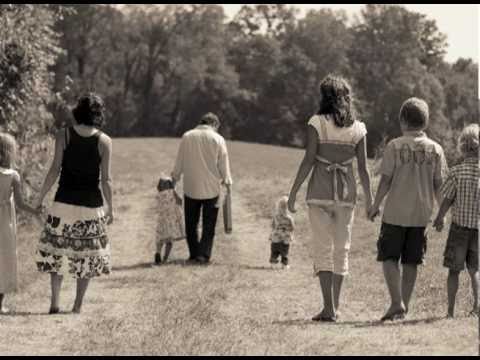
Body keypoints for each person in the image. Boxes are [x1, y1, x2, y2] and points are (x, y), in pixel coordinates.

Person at [288, 75, 373, 322]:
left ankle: (329, 308)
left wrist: (293, 191)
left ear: (323, 97)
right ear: (347, 98)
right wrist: (370, 200)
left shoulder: (317, 122)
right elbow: (364, 169)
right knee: (341, 249)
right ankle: (334, 306)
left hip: (319, 193)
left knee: (323, 248)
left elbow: (309, 160)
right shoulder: (358, 128)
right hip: (346, 194)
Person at [369, 97, 448, 321]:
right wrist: (441, 213)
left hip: (395, 214)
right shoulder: (436, 149)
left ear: (403, 120)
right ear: (425, 122)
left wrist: (376, 205)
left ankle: (396, 302)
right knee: (412, 261)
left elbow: (385, 181)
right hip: (421, 216)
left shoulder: (394, 145)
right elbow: (438, 185)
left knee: (389, 257)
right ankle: (403, 306)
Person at [36, 93, 114, 314]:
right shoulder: (104, 141)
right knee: (87, 257)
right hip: (91, 206)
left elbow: (54, 170)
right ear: (99, 114)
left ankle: (54, 302)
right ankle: (78, 304)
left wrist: (40, 197)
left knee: (57, 253)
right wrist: (111, 208)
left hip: (63, 203)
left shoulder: (64, 135)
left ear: (78, 111)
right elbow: (107, 180)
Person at [172, 112, 233, 265]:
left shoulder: (187, 136)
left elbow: (180, 159)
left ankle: (193, 254)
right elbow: (223, 163)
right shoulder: (218, 139)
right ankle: (204, 255)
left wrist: (174, 177)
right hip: (211, 188)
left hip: (191, 186)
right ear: (215, 124)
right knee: (209, 224)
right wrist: (227, 182)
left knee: (191, 223)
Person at [433, 124, 479, 318]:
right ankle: (477, 307)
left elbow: (448, 199)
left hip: (459, 229)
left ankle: (450, 311)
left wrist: (439, 217)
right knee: (475, 270)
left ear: (462, 146)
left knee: (454, 270)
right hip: (478, 229)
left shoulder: (456, 172)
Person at [0, 133, 41, 314]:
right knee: (5, 259)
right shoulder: (13, 176)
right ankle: (0, 304)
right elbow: (21, 204)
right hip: (5, 223)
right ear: (10, 152)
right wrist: (35, 211)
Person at [154, 176, 185, 265]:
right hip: (170, 222)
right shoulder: (172, 192)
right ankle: (165, 259)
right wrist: (175, 190)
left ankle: (158, 252)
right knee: (169, 242)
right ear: (170, 185)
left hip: (161, 222)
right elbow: (180, 202)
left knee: (160, 240)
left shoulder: (158, 195)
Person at [269, 196, 295, 270]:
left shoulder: (276, 217)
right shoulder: (289, 218)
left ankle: (273, 263)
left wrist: (275, 231)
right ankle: (284, 264)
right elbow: (292, 227)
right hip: (285, 238)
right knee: (285, 252)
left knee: (274, 251)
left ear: (278, 207)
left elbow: (272, 225)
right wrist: (289, 232)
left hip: (276, 237)